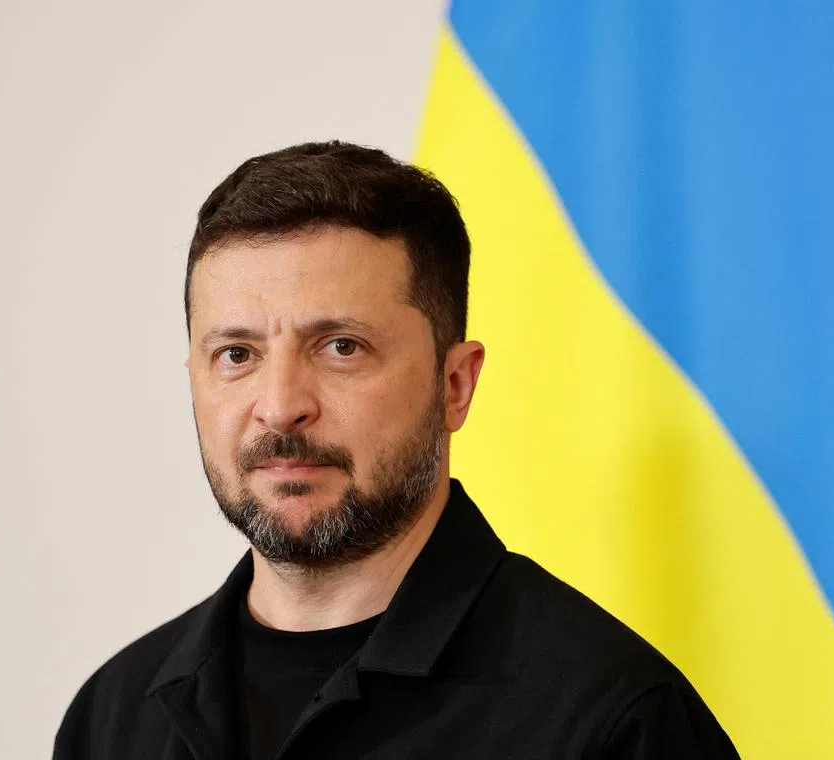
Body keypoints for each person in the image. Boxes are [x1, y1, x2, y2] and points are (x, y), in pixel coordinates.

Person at [53, 141, 739, 759]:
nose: (281, 402)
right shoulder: (111, 718)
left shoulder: (615, 722)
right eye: (237, 354)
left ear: (455, 385)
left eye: (341, 347)